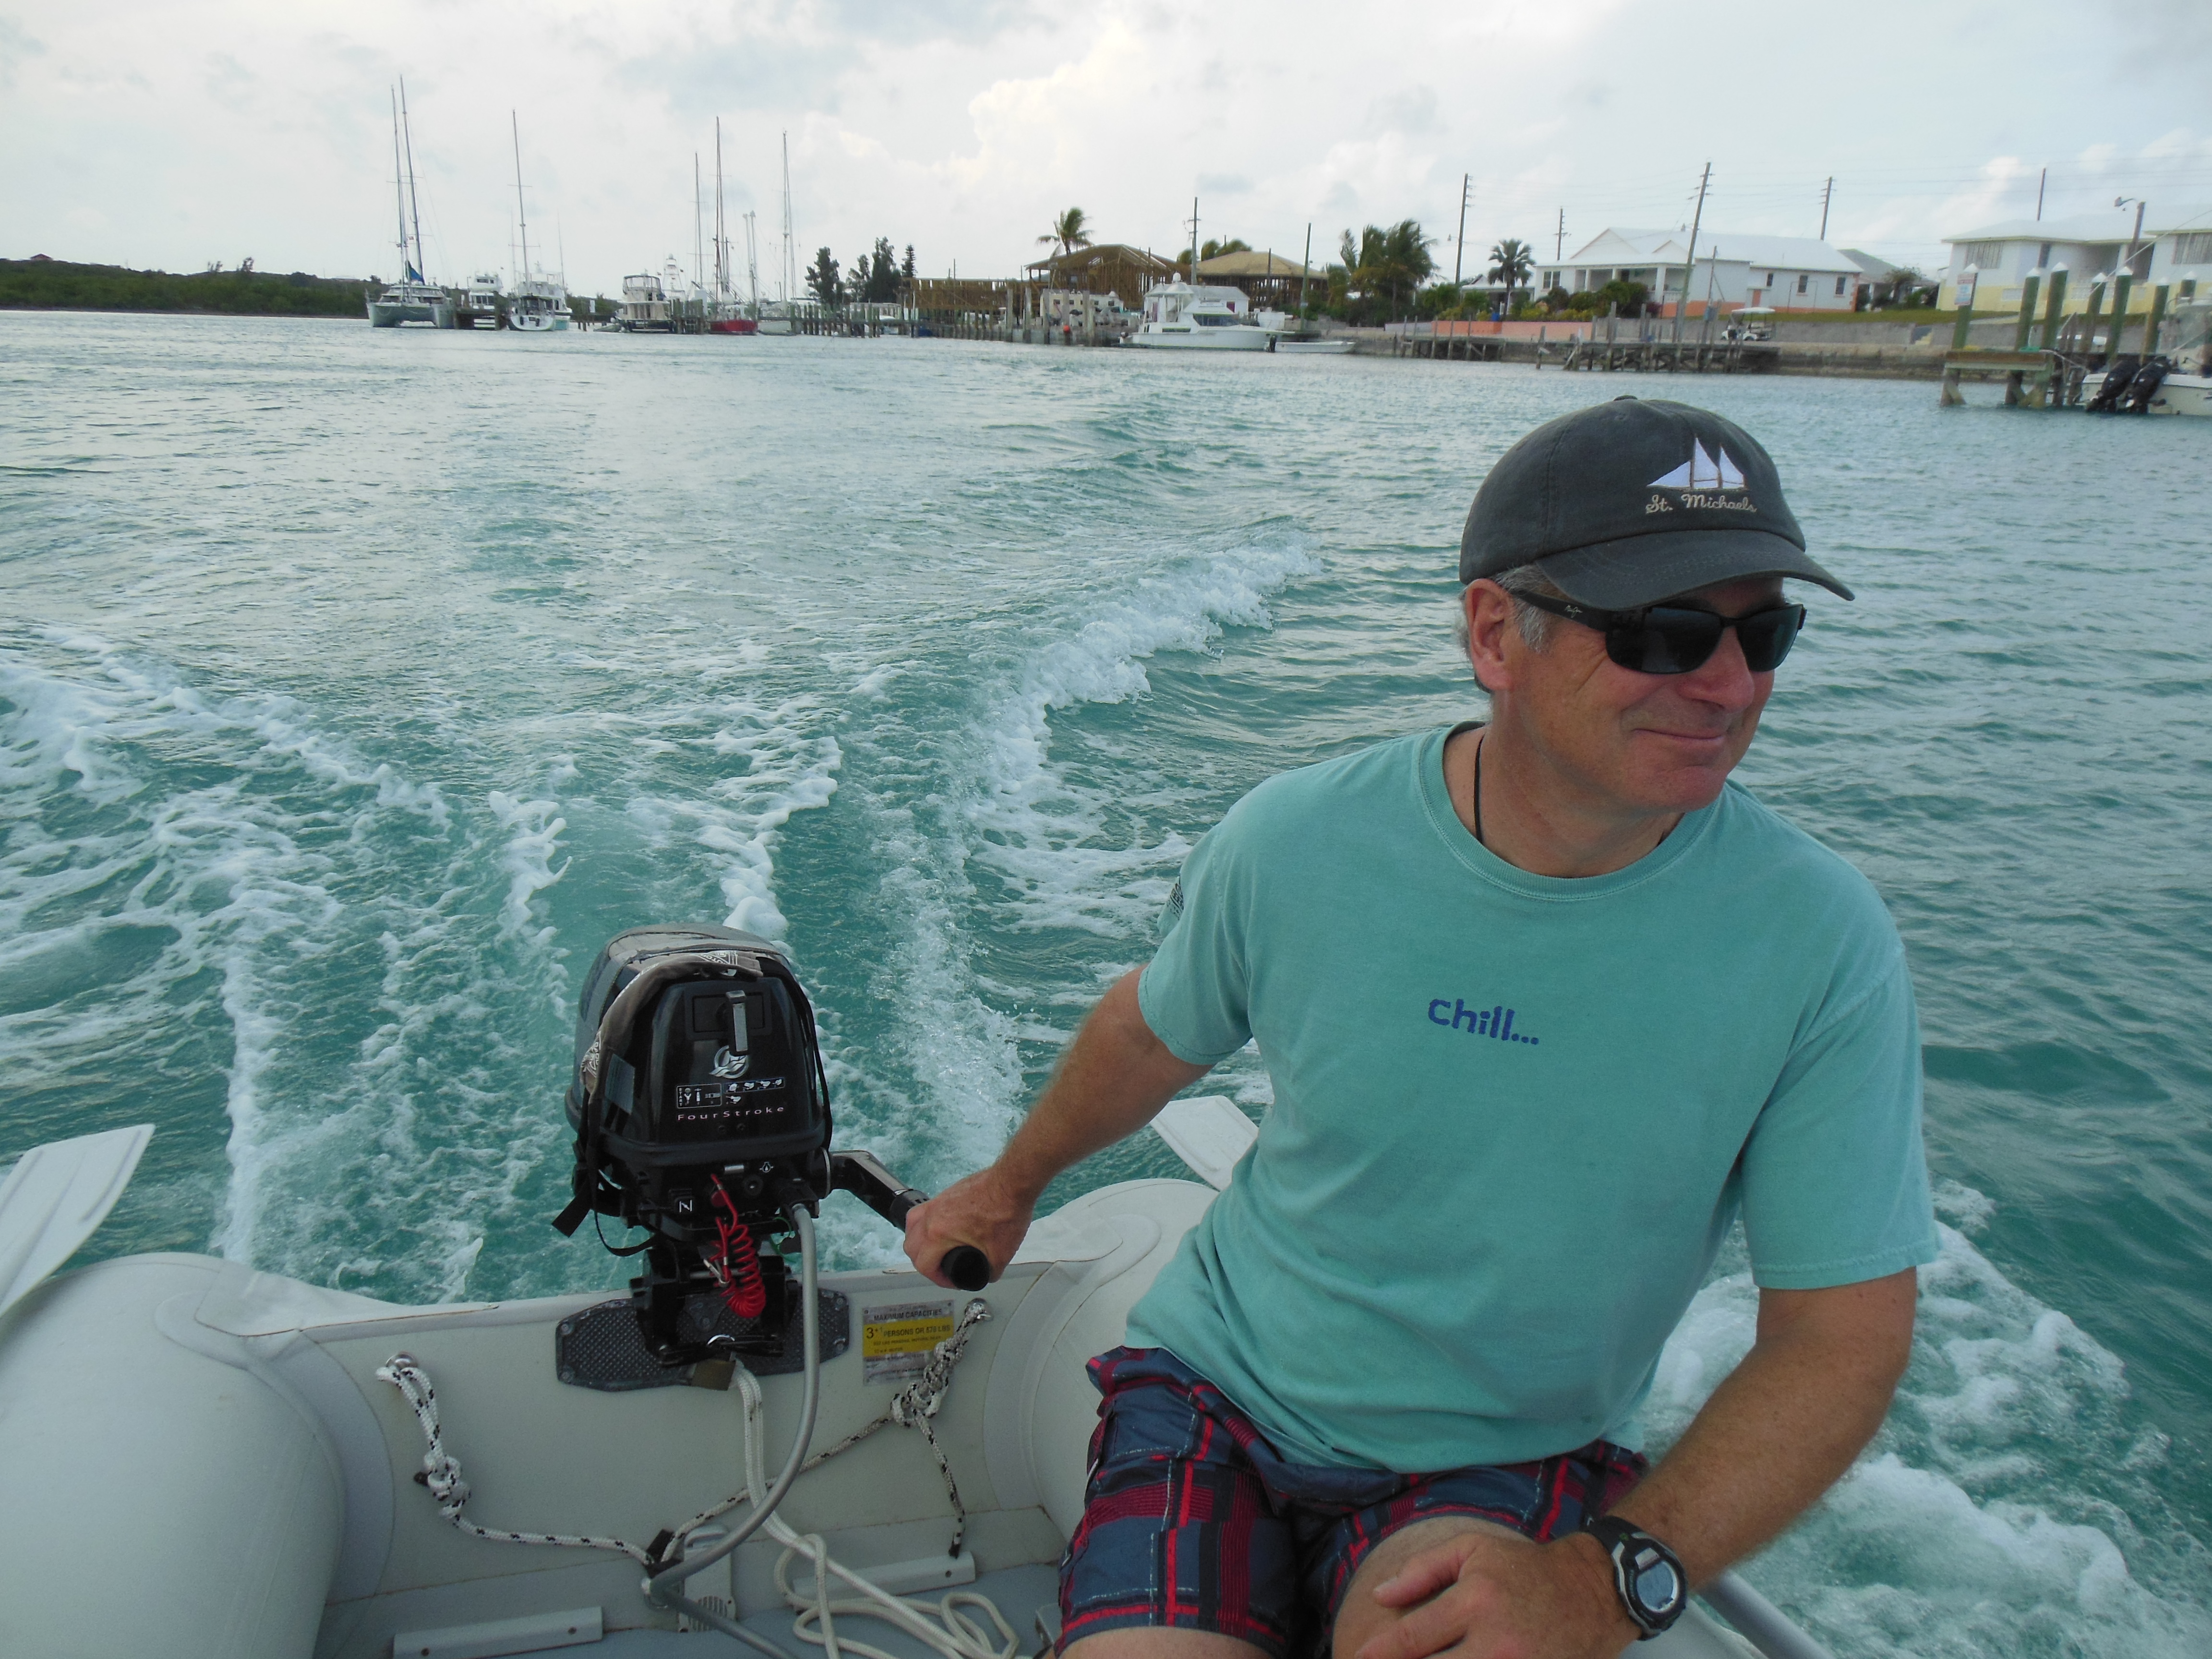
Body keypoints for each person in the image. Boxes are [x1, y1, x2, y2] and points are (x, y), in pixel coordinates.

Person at [905, 398, 1937, 1659]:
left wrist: (1600, 1583)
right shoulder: (1297, 841)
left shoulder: (1821, 944)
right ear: (1496, 633)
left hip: (1502, 1458)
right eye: (1665, 633)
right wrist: (1007, 1188)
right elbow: (1151, 1033)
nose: (1729, 684)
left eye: (1763, 631)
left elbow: (1838, 1340)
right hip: (1213, 1394)